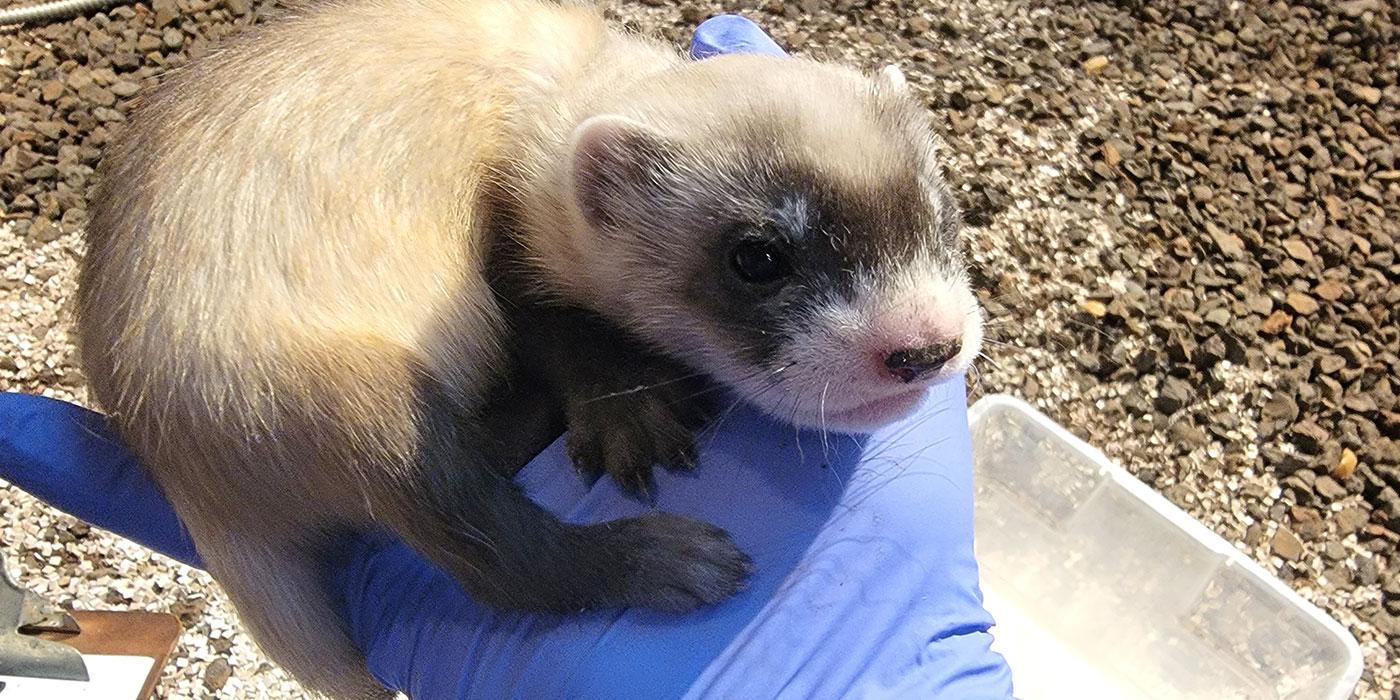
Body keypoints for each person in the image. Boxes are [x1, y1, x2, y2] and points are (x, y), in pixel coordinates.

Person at [0, 15, 1014, 699]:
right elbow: (525, 278)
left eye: (923, 225)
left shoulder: (575, 146)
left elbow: (532, 289)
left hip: (327, 348)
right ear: (608, 196)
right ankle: (546, 568)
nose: (925, 330)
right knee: (383, 396)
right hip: (265, 379)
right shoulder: (569, 160)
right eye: (757, 262)